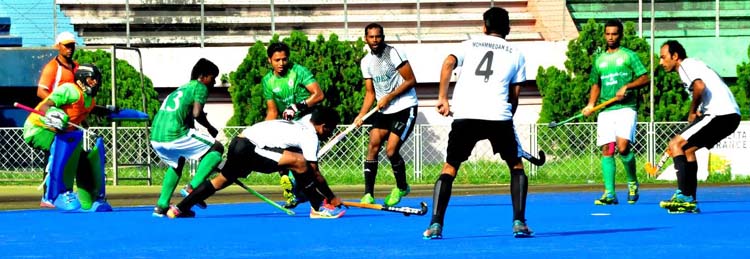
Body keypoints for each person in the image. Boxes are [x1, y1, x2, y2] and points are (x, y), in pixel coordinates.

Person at [423, 7, 533, 239]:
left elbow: (447, 64)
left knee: (450, 168)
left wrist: (443, 97)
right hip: (498, 116)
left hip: (466, 116)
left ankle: (435, 225)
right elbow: (515, 95)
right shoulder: (517, 53)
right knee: (516, 166)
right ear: (508, 29)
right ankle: (519, 223)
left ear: (484, 27)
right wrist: (508, 117)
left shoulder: (469, 44)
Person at [166, 107, 346, 219]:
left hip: (239, 141)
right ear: (323, 126)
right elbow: (313, 172)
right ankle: (317, 208)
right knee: (299, 162)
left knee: (220, 181)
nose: (329, 135)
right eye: (330, 131)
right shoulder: (310, 136)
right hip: (251, 148)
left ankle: (179, 209)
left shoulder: (306, 120)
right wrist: (331, 197)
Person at [657, 40, 741, 213]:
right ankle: (690, 200)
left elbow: (699, 86)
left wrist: (692, 111)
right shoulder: (697, 65)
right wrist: (700, 109)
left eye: (663, 57)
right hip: (730, 116)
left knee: (675, 144)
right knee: (687, 150)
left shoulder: (685, 66)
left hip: (720, 114)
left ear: (675, 56)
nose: (661, 62)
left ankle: (682, 195)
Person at [22, 63, 114, 212]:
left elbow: (85, 109)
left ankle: (89, 197)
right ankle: (51, 195)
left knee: (82, 157)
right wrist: (52, 114)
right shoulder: (69, 90)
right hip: (38, 128)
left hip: (63, 134)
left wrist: (111, 111)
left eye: (97, 79)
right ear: (81, 80)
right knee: (60, 148)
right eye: (92, 79)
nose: (95, 82)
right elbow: (46, 105)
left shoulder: (89, 100)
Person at [582, 20, 649, 205]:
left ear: (620, 35)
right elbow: (596, 84)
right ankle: (609, 193)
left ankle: (632, 182)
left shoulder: (629, 56)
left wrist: (627, 86)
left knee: (623, 147)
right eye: (608, 34)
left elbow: (645, 78)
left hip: (626, 108)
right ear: (604, 35)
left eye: (615, 34)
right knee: (607, 149)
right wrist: (590, 104)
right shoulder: (599, 60)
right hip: (605, 109)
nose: (611, 37)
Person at [353, 23, 418, 207]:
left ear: (383, 37)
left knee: (391, 151)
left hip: (405, 107)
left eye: (378, 36)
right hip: (384, 110)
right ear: (366, 39)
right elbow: (370, 93)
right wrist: (361, 115)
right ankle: (368, 194)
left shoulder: (393, 53)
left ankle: (402, 187)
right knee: (373, 144)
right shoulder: (366, 62)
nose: (375, 40)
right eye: (371, 37)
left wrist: (389, 96)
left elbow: (411, 80)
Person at [150, 58, 224, 217]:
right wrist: (210, 128)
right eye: (213, 78)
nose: (214, 82)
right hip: (174, 134)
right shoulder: (200, 87)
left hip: (155, 137)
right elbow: (197, 114)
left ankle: (161, 205)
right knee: (217, 148)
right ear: (203, 76)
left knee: (177, 162)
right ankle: (193, 188)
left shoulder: (181, 89)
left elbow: (188, 117)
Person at [262, 42, 325, 209]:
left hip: (307, 117)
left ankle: (303, 192)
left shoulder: (299, 71)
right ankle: (294, 190)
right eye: (277, 60)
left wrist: (297, 106)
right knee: (281, 151)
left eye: (284, 59)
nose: (281, 63)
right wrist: (264, 133)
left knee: (305, 160)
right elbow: (272, 112)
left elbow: (318, 95)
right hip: (288, 122)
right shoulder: (267, 81)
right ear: (270, 61)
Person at [36, 31, 79, 207]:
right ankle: (48, 195)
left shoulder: (76, 67)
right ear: (58, 47)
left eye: (72, 45)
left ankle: (64, 190)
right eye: (66, 45)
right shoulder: (52, 67)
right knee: (54, 155)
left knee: (69, 157)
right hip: (55, 120)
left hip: (71, 121)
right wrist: (57, 108)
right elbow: (41, 92)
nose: (70, 49)